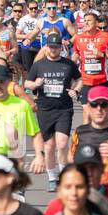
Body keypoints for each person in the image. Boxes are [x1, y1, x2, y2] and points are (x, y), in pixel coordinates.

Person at [26, 31, 81, 190]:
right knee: (49, 147)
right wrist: (35, 84)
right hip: (45, 108)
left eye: (56, 47)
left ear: (60, 48)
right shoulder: (39, 65)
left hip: (64, 108)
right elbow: (27, 84)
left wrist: (76, 90)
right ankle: (52, 177)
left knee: (63, 144)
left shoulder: (68, 64)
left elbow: (79, 79)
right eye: (51, 47)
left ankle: (64, 177)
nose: (53, 50)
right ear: (46, 47)